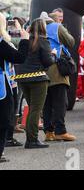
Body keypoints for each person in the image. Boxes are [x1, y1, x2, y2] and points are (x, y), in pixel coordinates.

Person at [14, 18, 55, 149]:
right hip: (38, 78)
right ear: (43, 28)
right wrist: (54, 55)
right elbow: (48, 61)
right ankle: (32, 139)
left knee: (32, 108)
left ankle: (31, 139)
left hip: (22, 78)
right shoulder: (43, 41)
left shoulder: (25, 41)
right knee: (36, 110)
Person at [43, 11, 77, 142]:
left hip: (42, 69)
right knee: (60, 102)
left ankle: (48, 132)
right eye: (60, 18)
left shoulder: (37, 28)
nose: (61, 20)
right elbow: (71, 41)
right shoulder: (57, 27)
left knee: (47, 102)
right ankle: (60, 131)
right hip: (56, 69)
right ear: (54, 19)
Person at [0, 14, 29, 162]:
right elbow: (19, 57)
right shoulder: (0, 43)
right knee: (4, 119)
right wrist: (24, 40)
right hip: (1, 85)